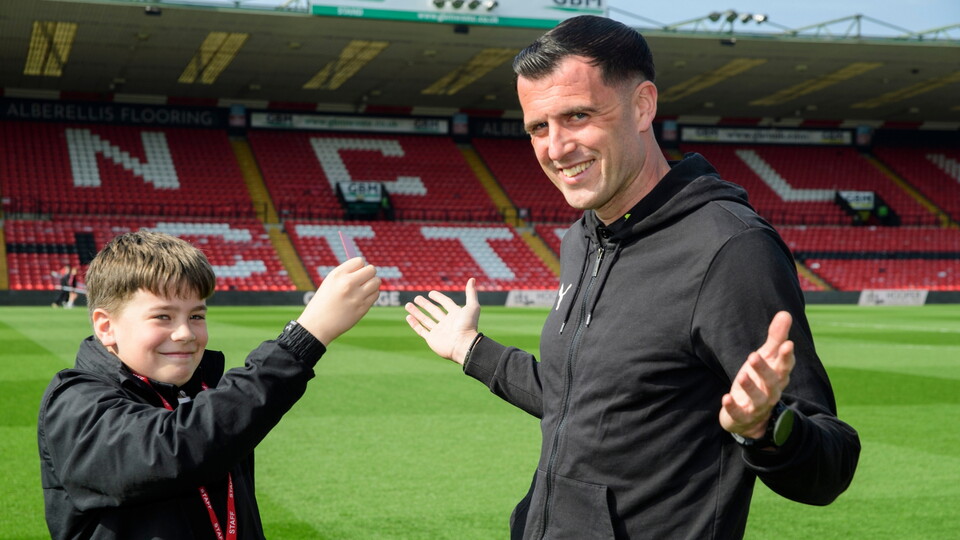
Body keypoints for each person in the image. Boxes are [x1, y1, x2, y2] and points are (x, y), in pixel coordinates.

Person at [404, 15, 860, 540]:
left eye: (577, 116)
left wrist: (766, 430)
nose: (555, 148)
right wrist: (471, 349)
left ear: (642, 106)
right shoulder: (582, 238)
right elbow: (585, 398)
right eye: (538, 127)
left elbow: (831, 462)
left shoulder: (729, 248)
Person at [38, 230, 380, 539]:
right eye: (163, 316)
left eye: (196, 316)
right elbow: (173, 449)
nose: (186, 333)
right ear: (106, 326)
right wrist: (305, 338)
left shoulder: (199, 391)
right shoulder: (74, 402)